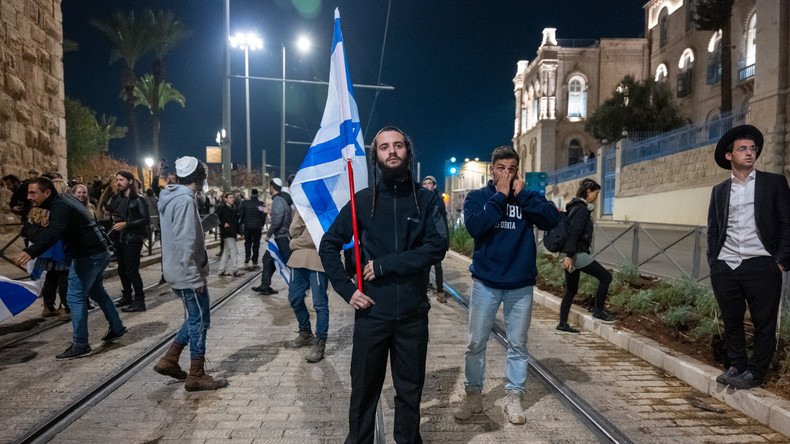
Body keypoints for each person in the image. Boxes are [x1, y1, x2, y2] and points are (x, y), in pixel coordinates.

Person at [320, 126, 448, 443]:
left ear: (408, 152)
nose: (392, 151)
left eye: (398, 145)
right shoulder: (362, 202)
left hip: (412, 316)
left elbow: (436, 248)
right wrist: (347, 290)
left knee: (409, 393)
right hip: (372, 316)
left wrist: (384, 264)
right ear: (375, 155)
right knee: (363, 393)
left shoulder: (428, 200)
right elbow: (328, 245)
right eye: (384, 147)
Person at [453, 145, 560, 424]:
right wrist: (500, 196)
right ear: (492, 170)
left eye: (511, 169)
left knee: (518, 344)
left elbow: (552, 219)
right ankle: (474, 394)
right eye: (501, 168)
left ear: (517, 171)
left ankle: (514, 396)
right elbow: (476, 227)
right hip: (486, 283)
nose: (506, 173)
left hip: (520, 286)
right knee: (476, 342)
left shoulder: (527, 197)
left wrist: (521, 195)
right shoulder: (478, 197)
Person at [707, 125, 790, 390]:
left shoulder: (774, 183)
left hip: (762, 264)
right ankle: (737, 365)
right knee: (731, 321)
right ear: (729, 156)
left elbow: (787, 224)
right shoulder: (719, 191)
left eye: (753, 149)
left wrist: (779, 262)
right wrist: (714, 261)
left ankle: (755, 373)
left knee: (763, 323)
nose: (750, 153)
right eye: (742, 149)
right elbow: (713, 229)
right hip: (726, 265)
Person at [14, 177, 127, 359]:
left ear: (47, 193)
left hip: (87, 255)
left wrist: (31, 251)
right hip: (98, 251)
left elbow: (54, 233)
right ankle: (117, 327)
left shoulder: (60, 206)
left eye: (33, 193)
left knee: (75, 297)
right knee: (97, 291)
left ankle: (81, 344)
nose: (28, 197)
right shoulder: (64, 200)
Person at [154, 156, 228, 391]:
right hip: (187, 272)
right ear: (199, 176)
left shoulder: (170, 196)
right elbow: (185, 240)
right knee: (198, 321)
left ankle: (170, 359)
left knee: (200, 317)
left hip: (177, 268)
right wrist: (195, 278)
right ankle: (196, 373)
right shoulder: (185, 201)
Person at [557, 179, 615, 334]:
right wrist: (569, 255)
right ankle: (598, 312)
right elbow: (574, 233)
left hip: (570, 253)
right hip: (575, 254)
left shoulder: (575, 207)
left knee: (571, 290)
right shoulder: (581, 210)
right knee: (606, 278)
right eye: (596, 193)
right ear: (588, 192)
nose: (597, 196)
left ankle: (562, 325)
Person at [286, 208, 329, 363]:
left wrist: (293, 243)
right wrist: (301, 212)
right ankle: (305, 333)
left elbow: (313, 239)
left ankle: (320, 341)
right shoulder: (301, 206)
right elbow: (292, 230)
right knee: (294, 298)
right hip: (297, 261)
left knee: (319, 304)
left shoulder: (323, 208)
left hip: (317, 261)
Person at [110, 171, 151, 312]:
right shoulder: (118, 198)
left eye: (121, 180)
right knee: (122, 270)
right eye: (117, 180)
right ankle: (127, 296)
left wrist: (126, 224)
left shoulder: (138, 199)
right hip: (120, 239)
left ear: (130, 181)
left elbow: (145, 219)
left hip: (132, 239)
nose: (118, 182)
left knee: (132, 270)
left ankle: (140, 301)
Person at [252, 178, 293, 295]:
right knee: (268, 259)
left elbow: (277, 220)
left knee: (290, 262)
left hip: (281, 237)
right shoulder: (280, 199)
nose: (269, 189)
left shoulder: (278, 200)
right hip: (280, 236)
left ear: (272, 187)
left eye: (270, 187)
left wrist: (268, 234)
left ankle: (300, 285)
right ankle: (265, 285)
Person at [421, 175, 448, 303]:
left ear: (434, 186)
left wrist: (445, 239)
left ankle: (440, 291)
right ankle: (425, 286)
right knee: (425, 265)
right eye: (424, 183)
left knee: (438, 265)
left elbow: (443, 219)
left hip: (437, 237)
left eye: (429, 183)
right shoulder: (420, 199)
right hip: (425, 238)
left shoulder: (439, 200)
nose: (426, 186)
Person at [216, 192, 243, 277]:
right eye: (230, 197)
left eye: (233, 198)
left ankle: (221, 270)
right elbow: (215, 218)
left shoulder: (234, 208)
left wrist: (241, 233)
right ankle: (235, 270)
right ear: (225, 199)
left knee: (226, 252)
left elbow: (237, 223)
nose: (232, 199)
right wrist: (223, 224)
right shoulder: (221, 208)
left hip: (233, 232)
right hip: (226, 233)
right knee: (234, 251)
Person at [239, 189, 265, 268]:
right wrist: (261, 224)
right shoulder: (260, 204)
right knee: (256, 243)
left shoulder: (245, 203)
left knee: (248, 242)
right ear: (257, 194)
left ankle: (247, 256)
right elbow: (263, 215)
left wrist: (243, 223)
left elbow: (241, 214)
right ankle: (255, 259)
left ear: (251, 194)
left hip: (247, 226)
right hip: (257, 226)